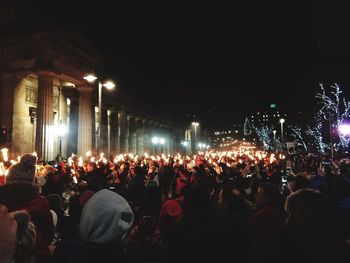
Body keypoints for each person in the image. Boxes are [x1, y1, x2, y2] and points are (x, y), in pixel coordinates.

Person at [0, 153, 54, 262]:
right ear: (32, 180)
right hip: (35, 254)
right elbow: (48, 236)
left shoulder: (2, 205)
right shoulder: (40, 203)